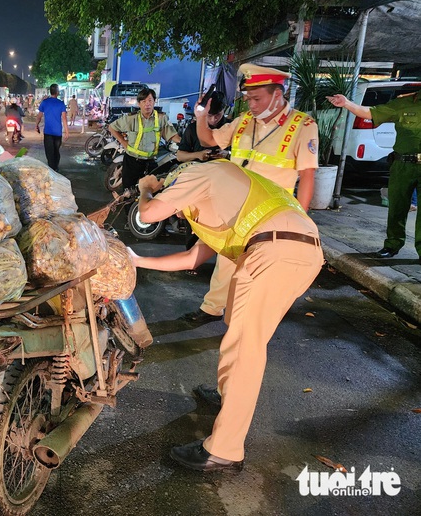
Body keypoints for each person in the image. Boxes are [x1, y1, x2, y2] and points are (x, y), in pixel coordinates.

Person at [131, 160, 323, 471]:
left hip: (275, 251)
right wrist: (137, 260)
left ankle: (224, 449)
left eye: (177, 204)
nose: (178, 213)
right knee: (237, 324)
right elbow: (192, 258)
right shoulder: (223, 200)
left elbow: (148, 213)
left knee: (244, 347)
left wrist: (145, 190)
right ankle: (226, 393)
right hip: (291, 248)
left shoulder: (198, 173)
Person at [185, 64, 319, 328]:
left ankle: (240, 323)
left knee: (254, 272)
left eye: (257, 98)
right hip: (236, 209)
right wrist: (201, 116)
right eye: (248, 99)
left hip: (271, 216)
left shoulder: (303, 126)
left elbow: (307, 177)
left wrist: (300, 221)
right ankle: (212, 308)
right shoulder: (244, 121)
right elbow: (209, 140)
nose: (252, 105)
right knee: (225, 261)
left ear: (278, 94)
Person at [328, 89, 421, 260]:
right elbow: (371, 113)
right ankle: (392, 245)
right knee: (397, 208)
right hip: (402, 165)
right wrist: (347, 103)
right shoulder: (403, 103)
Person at [108, 88, 181, 190]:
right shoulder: (131, 118)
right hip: (132, 160)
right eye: (144, 101)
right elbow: (112, 127)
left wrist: (184, 142)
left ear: (154, 101)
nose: (147, 104)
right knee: (128, 191)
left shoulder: (161, 118)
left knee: (152, 190)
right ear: (139, 103)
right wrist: (123, 141)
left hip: (150, 161)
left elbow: (171, 134)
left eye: (150, 100)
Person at [176, 91, 229, 163]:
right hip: (198, 170)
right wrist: (197, 155)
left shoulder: (231, 126)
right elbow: (180, 156)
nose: (213, 119)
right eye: (209, 115)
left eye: (217, 115)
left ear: (224, 109)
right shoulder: (192, 128)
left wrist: (228, 154)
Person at [35, 84, 69, 171]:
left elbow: (39, 116)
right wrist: (67, 132)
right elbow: (64, 118)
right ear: (57, 92)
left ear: (50, 92)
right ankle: (55, 167)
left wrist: (36, 125)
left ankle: (51, 169)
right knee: (56, 151)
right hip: (58, 133)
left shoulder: (45, 102)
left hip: (48, 132)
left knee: (49, 152)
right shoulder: (61, 104)